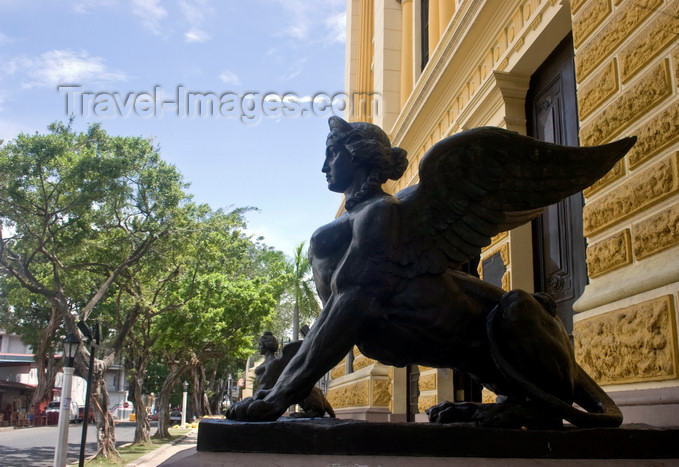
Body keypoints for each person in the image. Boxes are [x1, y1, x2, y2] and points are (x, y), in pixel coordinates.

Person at [228, 117, 635, 427]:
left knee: (516, 310)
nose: (323, 167)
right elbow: (335, 312)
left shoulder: (382, 214)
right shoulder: (364, 221)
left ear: (356, 156)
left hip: (518, 329)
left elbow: (351, 305)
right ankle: (515, 406)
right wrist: (282, 390)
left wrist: (278, 397)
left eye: (331, 153)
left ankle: (525, 406)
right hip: (477, 348)